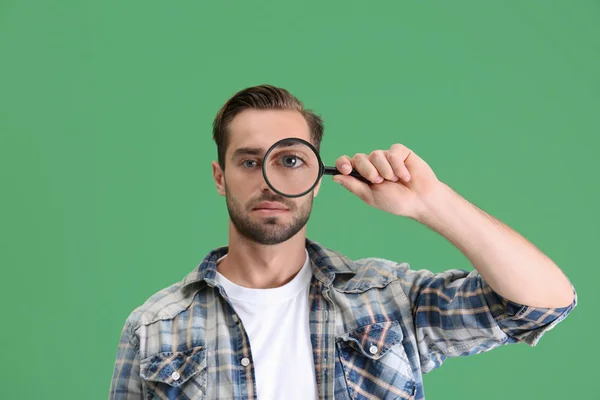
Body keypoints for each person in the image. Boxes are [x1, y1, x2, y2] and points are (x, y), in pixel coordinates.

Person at [109, 84, 577, 400]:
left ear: (316, 177)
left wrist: (432, 202)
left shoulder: (389, 299)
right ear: (220, 177)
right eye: (250, 162)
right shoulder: (154, 328)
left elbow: (542, 304)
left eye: (291, 161)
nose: (270, 180)